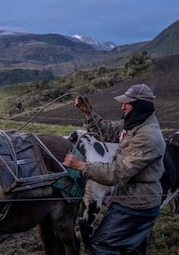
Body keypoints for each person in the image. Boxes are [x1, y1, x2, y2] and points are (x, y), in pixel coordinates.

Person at [63, 84, 165, 254]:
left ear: (140, 106)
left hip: (136, 204)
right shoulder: (135, 125)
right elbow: (107, 131)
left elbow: (116, 173)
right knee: (131, 249)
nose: (122, 106)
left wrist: (82, 166)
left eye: (128, 103)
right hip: (131, 198)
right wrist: (89, 113)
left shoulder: (147, 137)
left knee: (101, 246)